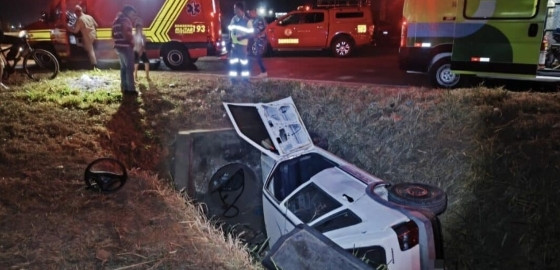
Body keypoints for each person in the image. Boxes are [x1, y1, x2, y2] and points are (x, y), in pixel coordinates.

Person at [112, 5, 137, 95]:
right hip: (126, 47)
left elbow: (112, 34)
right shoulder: (126, 20)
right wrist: (132, 42)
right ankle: (131, 90)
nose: (133, 16)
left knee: (123, 68)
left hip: (118, 47)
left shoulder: (116, 20)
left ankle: (124, 87)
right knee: (130, 68)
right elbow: (126, 34)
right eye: (132, 14)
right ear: (127, 12)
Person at [227, 2, 253, 83]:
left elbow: (251, 34)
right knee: (233, 62)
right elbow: (230, 30)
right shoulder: (234, 19)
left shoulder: (247, 21)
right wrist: (229, 41)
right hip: (234, 45)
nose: (234, 11)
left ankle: (245, 79)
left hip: (243, 46)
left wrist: (243, 37)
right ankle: (233, 79)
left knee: (244, 63)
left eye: (235, 9)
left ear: (240, 9)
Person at [69, 5, 99, 69]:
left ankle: (94, 65)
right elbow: (96, 25)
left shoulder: (80, 19)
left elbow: (75, 31)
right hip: (93, 35)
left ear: (77, 12)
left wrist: (68, 28)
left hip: (87, 36)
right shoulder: (89, 16)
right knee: (89, 49)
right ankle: (91, 62)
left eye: (75, 13)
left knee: (90, 50)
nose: (75, 14)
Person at [247, 8, 268, 78]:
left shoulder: (259, 19)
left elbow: (263, 28)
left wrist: (257, 34)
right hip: (256, 39)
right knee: (253, 55)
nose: (249, 14)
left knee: (258, 55)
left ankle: (264, 72)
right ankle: (261, 71)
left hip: (260, 40)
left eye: (250, 13)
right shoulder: (254, 19)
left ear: (254, 11)